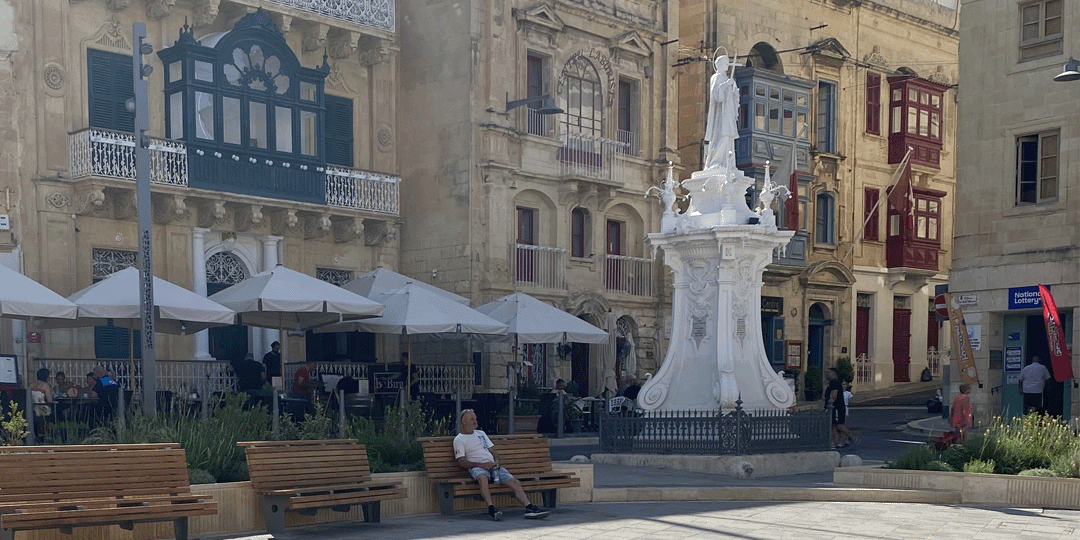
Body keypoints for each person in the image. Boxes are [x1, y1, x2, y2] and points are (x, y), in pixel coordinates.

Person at [454, 410, 550, 521]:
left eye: (475, 419)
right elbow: (462, 462)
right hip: (477, 467)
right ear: (464, 421)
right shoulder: (459, 439)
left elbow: (493, 451)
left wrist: (497, 460)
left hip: (493, 466)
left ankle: (529, 507)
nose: (475, 422)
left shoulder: (481, 434)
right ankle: (491, 508)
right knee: (483, 479)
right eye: (472, 419)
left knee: (515, 482)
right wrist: (482, 465)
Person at [702, 54, 740, 171]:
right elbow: (716, 95)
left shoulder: (729, 79)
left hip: (728, 113)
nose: (727, 66)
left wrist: (734, 89)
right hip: (719, 113)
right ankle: (716, 161)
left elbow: (735, 97)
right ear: (718, 65)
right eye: (725, 63)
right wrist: (726, 85)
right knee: (721, 136)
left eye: (727, 63)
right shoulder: (716, 77)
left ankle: (727, 162)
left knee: (728, 137)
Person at [824, 368, 857, 449]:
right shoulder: (830, 383)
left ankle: (852, 437)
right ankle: (833, 443)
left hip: (837, 408)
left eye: (828, 373)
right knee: (833, 426)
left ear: (833, 374)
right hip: (833, 408)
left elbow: (834, 395)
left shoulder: (834, 383)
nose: (827, 374)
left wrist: (831, 403)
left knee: (838, 425)